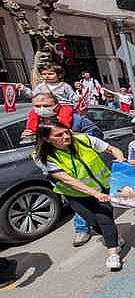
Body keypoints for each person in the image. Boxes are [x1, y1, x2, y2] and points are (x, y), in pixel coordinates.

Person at [34, 121, 124, 271]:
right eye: (59, 135)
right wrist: (93, 193)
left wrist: (120, 160)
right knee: (92, 220)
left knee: (105, 218)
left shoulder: (84, 139)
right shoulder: (42, 157)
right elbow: (66, 179)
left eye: (66, 132)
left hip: (103, 188)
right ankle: (113, 238)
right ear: (47, 139)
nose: (66, 136)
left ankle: (113, 253)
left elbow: (112, 149)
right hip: (75, 193)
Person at [24, 92, 102, 245]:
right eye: (37, 106)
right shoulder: (33, 123)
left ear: (56, 104)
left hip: (81, 169)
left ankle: (95, 227)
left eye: (46, 105)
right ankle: (85, 228)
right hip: (55, 171)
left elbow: (96, 135)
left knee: (89, 198)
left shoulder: (76, 120)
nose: (41, 109)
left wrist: (76, 140)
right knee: (75, 200)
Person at [21, 64, 78, 143]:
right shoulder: (40, 86)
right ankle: (31, 131)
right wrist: (24, 89)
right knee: (33, 114)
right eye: (44, 74)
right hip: (45, 106)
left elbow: (72, 95)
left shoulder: (65, 86)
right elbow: (33, 95)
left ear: (59, 75)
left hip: (63, 105)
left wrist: (76, 100)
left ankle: (64, 129)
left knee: (65, 114)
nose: (47, 76)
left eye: (50, 74)